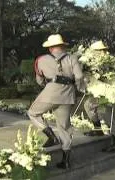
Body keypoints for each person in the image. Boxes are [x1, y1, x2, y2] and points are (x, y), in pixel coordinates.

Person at [27, 34, 86, 169]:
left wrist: (46, 86)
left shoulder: (41, 60)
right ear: (63, 46)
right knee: (64, 126)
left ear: (49, 48)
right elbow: (79, 76)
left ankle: (51, 136)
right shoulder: (72, 58)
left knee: (33, 113)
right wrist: (80, 88)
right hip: (68, 95)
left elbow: (39, 80)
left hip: (51, 93)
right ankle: (66, 160)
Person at [83, 40, 115, 152]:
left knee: (107, 114)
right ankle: (98, 129)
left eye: (99, 51)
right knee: (89, 105)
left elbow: (112, 76)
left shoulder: (108, 62)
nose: (98, 52)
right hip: (102, 91)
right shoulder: (93, 62)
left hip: (111, 91)